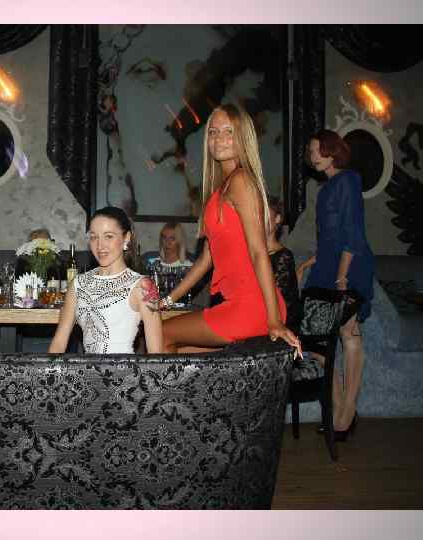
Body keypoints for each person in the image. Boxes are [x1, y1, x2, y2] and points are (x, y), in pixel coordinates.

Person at [159, 103, 300, 355]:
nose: (219, 139)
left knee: (161, 333)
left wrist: (274, 320)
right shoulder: (220, 190)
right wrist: (167, 301)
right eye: (213, 132)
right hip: (239, 303)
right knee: (178, 349)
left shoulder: (241, 180)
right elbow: (205, 260)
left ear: (242, 137)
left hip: (253, 305)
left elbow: (259, 252)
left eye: (228, 132)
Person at [302, 129, 375, 439]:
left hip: (350, 266)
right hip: (326, 266)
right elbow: (328, 238)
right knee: (316, 339)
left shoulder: (348, 180)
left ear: (333, 150)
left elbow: (352, 233)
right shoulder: (325, 189)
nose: (313, 156)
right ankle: (340, 407)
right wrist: (309, 263)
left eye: (318, 150)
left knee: (348, 334)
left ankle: (345, 414)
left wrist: (342, 276)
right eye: (311, 151)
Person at [49, 206, 162, 354]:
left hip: (124, 368)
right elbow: (58, 344)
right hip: (86, 368)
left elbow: (156, 354)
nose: (100, 246)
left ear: (126, 238)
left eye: (108, 236)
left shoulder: (143, 286)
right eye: (94, 237)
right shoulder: (78, 284)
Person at [266, 196, 301, 333]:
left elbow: (280, 301)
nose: (259, 220)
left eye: (265, 214)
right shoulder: (252, 254)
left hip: (283, 324)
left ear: (277, 219)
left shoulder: (283, 256)